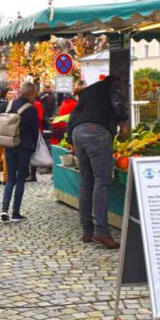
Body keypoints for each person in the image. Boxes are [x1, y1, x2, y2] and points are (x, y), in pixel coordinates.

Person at [67, 76, 130, 249]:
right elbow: (119, 108)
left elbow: (73, 115)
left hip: (78, 133)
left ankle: (87, 229)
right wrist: (124, 122)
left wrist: (69, 139)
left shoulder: (88, 92)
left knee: (86, 182)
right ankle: (102, 232)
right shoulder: (114, 86)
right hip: (97, 133)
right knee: (102, 181)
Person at [1, 82, 39, 224]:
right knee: (21, 179)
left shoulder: (10, 105)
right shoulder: (31, 109)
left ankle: (4, 210)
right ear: (31, 94)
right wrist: (34, 147)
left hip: (9, 145)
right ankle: (16, 213)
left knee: (10, 179)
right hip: (24, 147)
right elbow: (34, 131)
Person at [26, 96, 45, 183]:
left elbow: (40, 118)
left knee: (34, 152)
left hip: (36, 131)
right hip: (28, 131)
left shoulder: (37, 104)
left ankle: (33, 174)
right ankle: (28, 173)